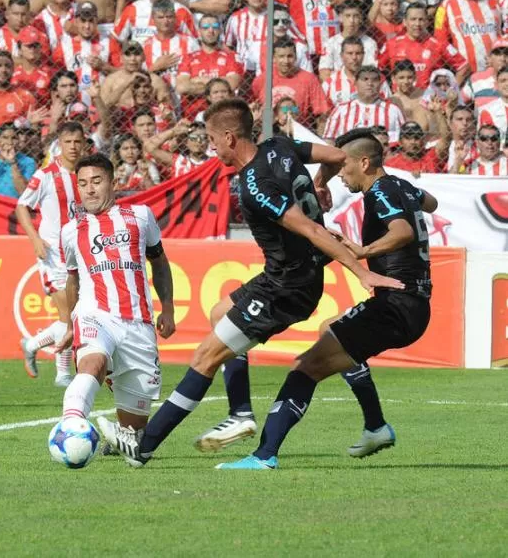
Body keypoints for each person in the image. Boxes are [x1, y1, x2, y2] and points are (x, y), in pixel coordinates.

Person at [102, 99, 404, 466]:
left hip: (285, 288)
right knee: (219, 313)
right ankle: (241, 412)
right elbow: (339, 155)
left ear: (229, 137)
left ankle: (144, 446)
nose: (212, 147)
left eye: (213, 139)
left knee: (205, 357)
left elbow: (308, 228)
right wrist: (319, 186)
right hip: (289, 277)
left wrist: (360, 271)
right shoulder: (279, 145)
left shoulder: (254, 184)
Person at [217, 128, 437, 469]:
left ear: (364, 163)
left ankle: (264, 456)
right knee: (329, 328)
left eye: (344, 165)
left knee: (306, 367)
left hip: (396, 303)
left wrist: (365, 251)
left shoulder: (380, 190)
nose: (340, 172)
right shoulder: (399, 187)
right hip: (411, 303)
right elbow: (431, 203)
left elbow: (403, 232)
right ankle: (375, 425)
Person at [49, 152, 176, 457]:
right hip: (95, 314)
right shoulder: (70, 231)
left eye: (96, 181)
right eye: (82, 184)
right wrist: (69, 324)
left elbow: (159, 261)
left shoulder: (141, 216)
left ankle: (122, 434)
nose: (89, 189)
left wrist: (168, 308)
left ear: (113, 182)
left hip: (139, 324)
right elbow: (73, 280)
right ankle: (72, 424)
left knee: (134, 438)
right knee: (92, 362)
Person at [17, 121, 86, 385]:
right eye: (68, 142)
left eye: (77, 141)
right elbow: (22, 206)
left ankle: (32, 345)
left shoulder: (85, 174)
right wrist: (34, 239)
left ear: (84, 143)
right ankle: (64, 374)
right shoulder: (45, 175)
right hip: (52, 256)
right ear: (60, 143)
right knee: (67, 315)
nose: (73, 146)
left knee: (74, 315)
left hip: (79, 255)